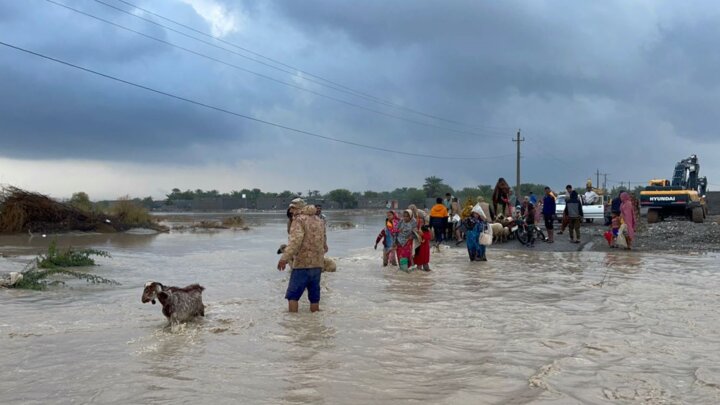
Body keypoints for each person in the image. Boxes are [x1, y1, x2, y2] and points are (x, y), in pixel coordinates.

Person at [278, 198, 328, 313]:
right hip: (317, 264)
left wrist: (284, 259)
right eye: (290, 208)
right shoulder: (319, 220)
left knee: (292, 297)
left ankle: (293, 327)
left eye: (293, 208)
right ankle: (315, 326)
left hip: (302, 264)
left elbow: (295, 242)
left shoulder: (299, 220)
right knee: (314, 299)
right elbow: (324, 241)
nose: (290, 211)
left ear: (300, 208)